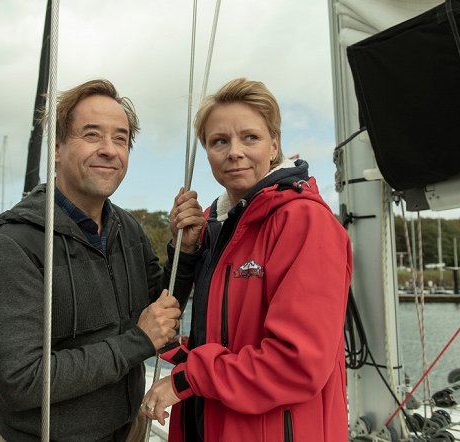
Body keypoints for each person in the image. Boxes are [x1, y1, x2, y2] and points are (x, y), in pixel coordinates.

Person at [0, 79, 205, 442]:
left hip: (129, 429)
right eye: (92, 135)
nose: (109, 150)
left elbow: (161, 312)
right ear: (56, 149)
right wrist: (137, 341)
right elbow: (22, 380)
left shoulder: (126, 228)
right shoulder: (16, 243)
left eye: (120, 139)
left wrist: (184, 252)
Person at [141, 78, 352, 441]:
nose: (234, 151)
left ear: (274, 145)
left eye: (250, 138)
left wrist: (187, 379)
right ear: (207, 152)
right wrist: (186, 253)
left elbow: (297, 362)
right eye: (219, 141)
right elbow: (199, 329)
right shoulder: (218, 225)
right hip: (211, 426)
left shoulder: (304, 221)